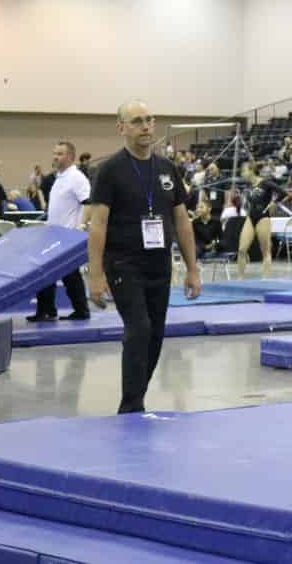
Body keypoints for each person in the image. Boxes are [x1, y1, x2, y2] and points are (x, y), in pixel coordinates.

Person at [85, 101, 201, 414]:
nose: (146, 126)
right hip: (124, 264)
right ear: (121, 127)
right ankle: (131, 405)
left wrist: (192, 269)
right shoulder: (109, 171)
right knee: (139, 329)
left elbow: (181, 221)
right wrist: (95, 275)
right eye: (137, 121)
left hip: (159, 264)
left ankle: (136, 397)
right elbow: (98, 225)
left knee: (155, 335)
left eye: (149, 119)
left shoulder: (167, 168)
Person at [29, 141, 93, 322]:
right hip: (53, 234)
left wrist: (81, 226)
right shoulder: (59, 178)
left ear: (71, 157)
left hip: (68, 235)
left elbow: (88, 202)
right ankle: (48, 310)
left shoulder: (77, 178)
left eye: (60, 154)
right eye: (54, 153)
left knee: (69, 274)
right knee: (48, 272)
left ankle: (80, 310)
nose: (55, 157)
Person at [234, 168, 285, 278]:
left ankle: (265, 279)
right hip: (251, 217)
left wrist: (274, 202)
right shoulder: (247, 186)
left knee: (265, 251)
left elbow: (283, 193)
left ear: (251, 170)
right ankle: (240, 278)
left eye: (244, 171)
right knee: (242, 249)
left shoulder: (265, 183)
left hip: (263, 217)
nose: (242, 174)